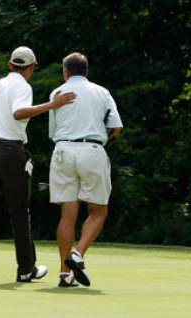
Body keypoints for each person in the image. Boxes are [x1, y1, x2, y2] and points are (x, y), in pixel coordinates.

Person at [0, 46, 76, 283]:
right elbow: (18, 113)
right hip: (10, 152)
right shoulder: (22, 86)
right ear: (30, 68)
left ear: (11, 65)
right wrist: (52, 105)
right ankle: (26, 269)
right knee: (19, 211)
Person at [48, 52, 123, 287]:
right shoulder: (102, 92)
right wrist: (102, 139)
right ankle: (77, 254)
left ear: (66, 72)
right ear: (87, 71)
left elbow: (53, 132)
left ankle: (64, 273)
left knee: (67, 214)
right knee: (98, 211)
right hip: (92, 149)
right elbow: (116, 127)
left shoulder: (56, 93)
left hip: (62, 151)